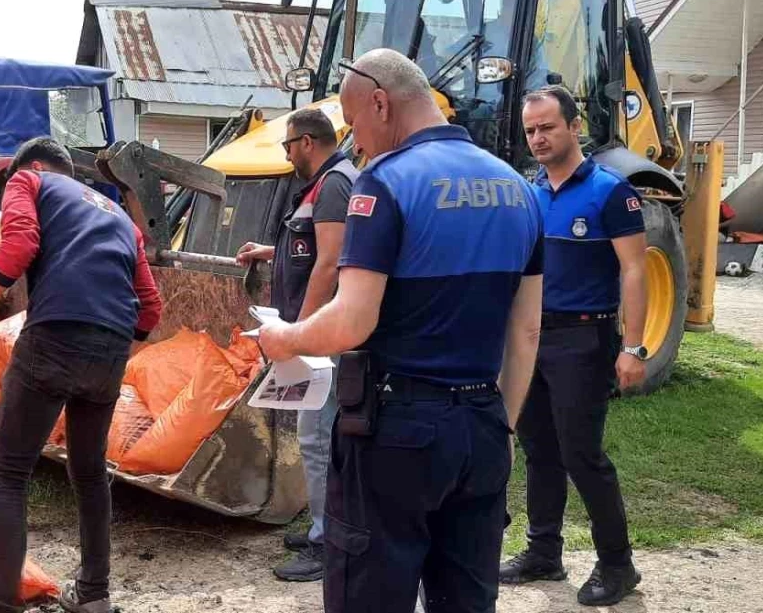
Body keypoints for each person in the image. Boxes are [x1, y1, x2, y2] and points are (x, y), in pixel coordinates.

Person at [258, 48, 544, 613]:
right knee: (465, 599)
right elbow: (527, 329)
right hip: (482, 425)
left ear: (382, 104)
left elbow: (351, 320)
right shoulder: (519, 188)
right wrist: (502, 427)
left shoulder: (383, 185)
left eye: (355, 122)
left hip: (397, 434)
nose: (354, 141)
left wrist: (284, 338)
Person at [0, 137, 163, 613]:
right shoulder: (121, 216)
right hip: (109, 351)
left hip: (53, 337)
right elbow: (151, 307)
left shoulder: (29, 179)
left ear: (37, 167)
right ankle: (93, 596)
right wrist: (109, 348)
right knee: (89, 474)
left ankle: (1, 606)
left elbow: (20, 243)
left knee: (7, 473)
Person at [498, 85, 646, 606]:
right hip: (532, 337)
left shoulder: (611, 192)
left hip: (584, 338)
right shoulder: (528, 192)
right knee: (539, 451)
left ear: (574, 126)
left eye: (547, 127)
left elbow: (634, 269)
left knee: (582, 454)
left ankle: (617, 565)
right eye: (530, 131)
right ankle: (544, 553)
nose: (538, 138)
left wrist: (635, 346)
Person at [234, 108, 357, 582]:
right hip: (318, 333)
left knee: (318, 438)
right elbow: (311, 247)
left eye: (287, 145)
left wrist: (300, 337)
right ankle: (326, 528)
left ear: (307, 142)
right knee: (319, 437)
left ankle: (329, 542)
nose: (285, 155)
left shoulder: (334, 185)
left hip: (322, 337)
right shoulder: (322, 186)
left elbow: (329, 264)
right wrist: (271, 252)